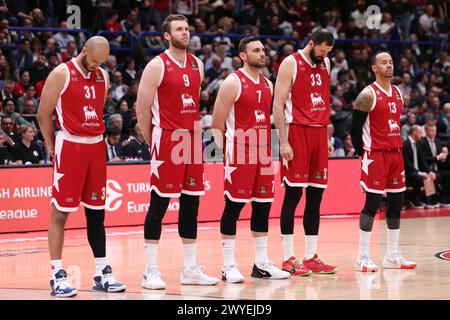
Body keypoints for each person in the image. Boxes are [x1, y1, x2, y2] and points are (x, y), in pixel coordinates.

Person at [37, 36, 126, 297]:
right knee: (60, 214)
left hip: (96, 147)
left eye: (101, 63)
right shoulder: (61, 73)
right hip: (71, 145)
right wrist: (53, 145)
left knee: (97, 213)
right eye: (93, 62)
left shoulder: (103, 76)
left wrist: (98, 69)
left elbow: (95, 109)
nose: (95, 67)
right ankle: (57, 275)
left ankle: (102, 272)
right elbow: (44, 113)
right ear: (84, 50)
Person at [136, 14, 218, 290]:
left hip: (192, 139)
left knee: (191, 204)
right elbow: (141, 109)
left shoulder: (198, 64)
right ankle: (150, 270)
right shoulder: (156, 65)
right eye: (179, 29)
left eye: (187, 28)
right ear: (167, 35)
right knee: (158, 205)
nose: (185, 33)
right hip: (167, 137)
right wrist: (154, 141)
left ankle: (190, 269)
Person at [211, 36, 292, 283]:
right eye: (256, 50)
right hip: (239, 151)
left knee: (263, 206)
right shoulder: (232, 82)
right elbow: (216, 123)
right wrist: (223, 154)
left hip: (264, 152)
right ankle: (228, 266)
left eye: (263, 49)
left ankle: (261, 264)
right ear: (243, 55)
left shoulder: (268, 84)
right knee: (233, 206)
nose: (262, 53)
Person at [273, 29, 338, 275]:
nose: (324, 54)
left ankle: (311, 256)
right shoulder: (290, 63)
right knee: (293, 195)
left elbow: (322, 99)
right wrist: (283, 141)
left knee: (316, 196)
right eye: (321, 49)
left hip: (319, 133)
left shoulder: (326, 63)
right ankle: (288, 258)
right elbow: (278, 104)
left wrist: (327, 135)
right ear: (311, 43)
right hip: (296, 131)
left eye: (328, 51)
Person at [350, 51, 417, 272]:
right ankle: (362, 256)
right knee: (372, 204)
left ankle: (392, 254)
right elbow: (354, 129)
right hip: (375, 154)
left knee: (397, 204)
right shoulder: (367, 94)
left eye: (391, 61)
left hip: (395, 154)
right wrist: (363, 153)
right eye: (384, 62)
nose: (389, 65)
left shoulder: (398, 92)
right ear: (374, 68)